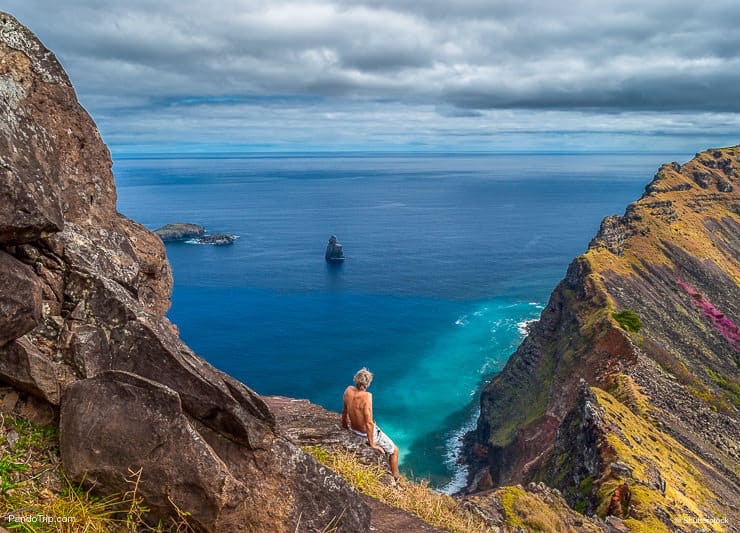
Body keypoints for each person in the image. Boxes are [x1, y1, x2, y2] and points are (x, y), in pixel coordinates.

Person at [341, 367, 400, 479]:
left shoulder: (348, 390)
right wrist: (372, 444)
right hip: (366, 433)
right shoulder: (367, 396)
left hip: (353, 429)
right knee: (395, 450)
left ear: (355, 379)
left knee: (387, 448)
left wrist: (345, 426)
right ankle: (396, 479)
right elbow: (369, 423)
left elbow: (344, 411)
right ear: (368, 383)